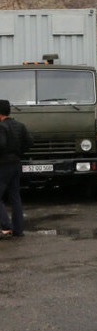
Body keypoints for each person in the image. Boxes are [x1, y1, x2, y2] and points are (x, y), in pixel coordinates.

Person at [0, 99, 33, 239]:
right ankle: (18, 230)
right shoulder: (20, 125)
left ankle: (6, 226)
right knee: (15, 197)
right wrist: (19, 152)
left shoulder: (1, 127)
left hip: (3, 165)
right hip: (16, 163)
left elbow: (1, 144)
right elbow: (29, 142)